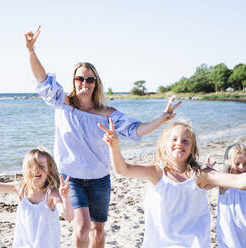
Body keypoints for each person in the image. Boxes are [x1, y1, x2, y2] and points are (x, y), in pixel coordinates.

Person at [25, 25, 182, 248]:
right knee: (81, 228)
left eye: (90, 80)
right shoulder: (63, 103)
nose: (85, 84)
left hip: (100, 178)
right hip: (71, 178)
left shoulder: (108, 114)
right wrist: (31, 50)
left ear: (96, 83)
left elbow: (135, 130)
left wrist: (162, 119)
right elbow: (42, 81)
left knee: (98, 231)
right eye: (80, 79)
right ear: (74, 80)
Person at [99, 120, 246, 248]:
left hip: (193, 244)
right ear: (164, 145)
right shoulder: (156, 172)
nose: (179, 144)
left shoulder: (202, 174)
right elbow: (123, 169)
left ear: (192, 148)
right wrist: (114, 146)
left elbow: (239, 181)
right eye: (174, 139)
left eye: (185, 141)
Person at [0, 147, 74, 248]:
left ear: (49, 170)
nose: (36, 170)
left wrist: (65, 198)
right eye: (32, 166)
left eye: (41, 166)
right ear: (26, 169)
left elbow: (69, 217)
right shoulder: (21, 188)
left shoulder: (51, 193)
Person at [217, 143, 246, 248]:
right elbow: (205, 183)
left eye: (245, 164)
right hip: (230, 237)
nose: (242, 167)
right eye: (237, 163)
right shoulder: (224, 183)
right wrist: (207, 169)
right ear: (228, 164)